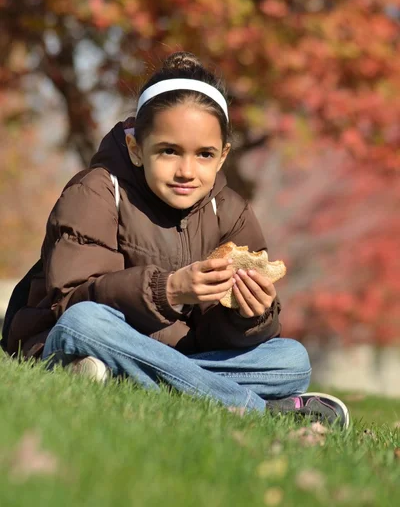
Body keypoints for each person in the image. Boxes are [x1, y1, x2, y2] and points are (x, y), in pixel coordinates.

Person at [6, 52, 349, 428]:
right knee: (85, 324)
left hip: (179, 355)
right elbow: (68, 303)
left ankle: (125, 375)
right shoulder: (98, 191)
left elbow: (218, 338)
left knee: (291, 361)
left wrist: (252, 315)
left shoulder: (230, 211)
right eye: (168, 151)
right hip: (82, 337)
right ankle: (259, 410)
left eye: (204, 154)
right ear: (136, 148)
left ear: (222, 157)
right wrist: (167, 291)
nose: (186, 171)